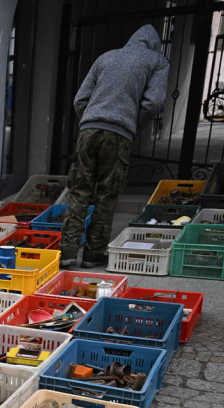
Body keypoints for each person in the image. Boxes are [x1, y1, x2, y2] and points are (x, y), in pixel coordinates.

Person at [60, 25, 169, 269]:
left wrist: (90, 122)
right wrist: (130, 126)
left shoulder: (106, 57)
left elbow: (81, 99)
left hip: (88, 129)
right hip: (119, 133)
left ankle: (67, 252)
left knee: (79, 191)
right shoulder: (157, 61)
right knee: (107, 195)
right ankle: (93, 255)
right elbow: (153, 103)